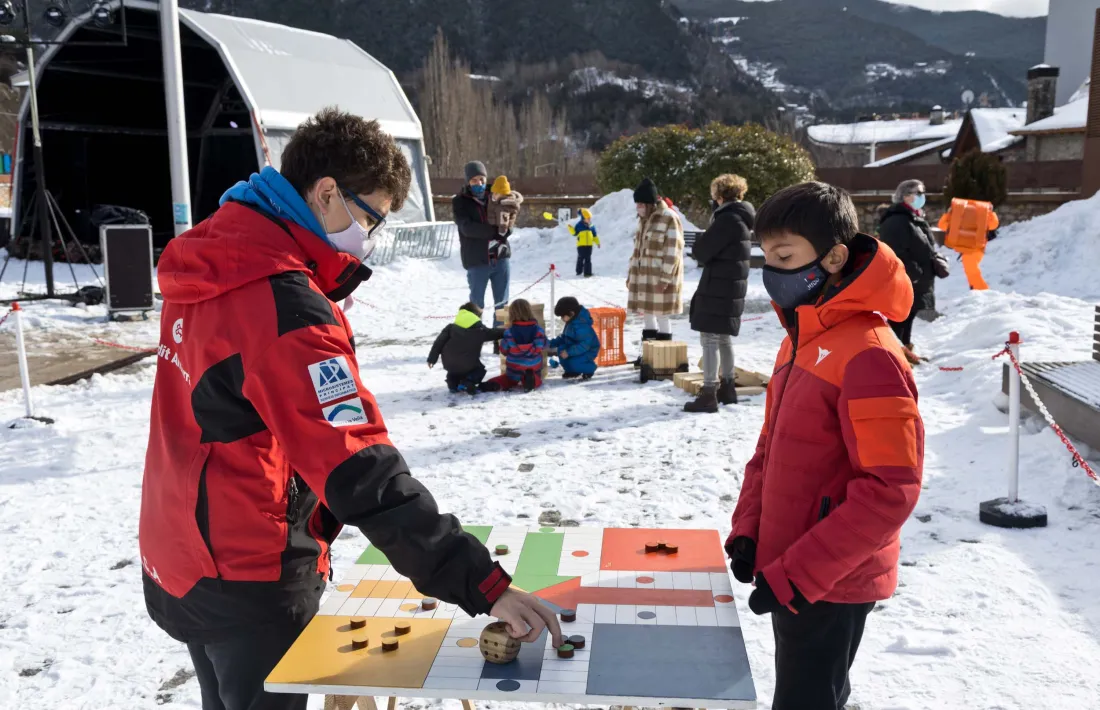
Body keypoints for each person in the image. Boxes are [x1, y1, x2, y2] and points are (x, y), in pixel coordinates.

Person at [140, 109, 561, 710]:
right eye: (371, 218)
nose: (370, 237)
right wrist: (480, 582)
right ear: (327, 192)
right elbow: (359, 468)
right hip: (248, 571)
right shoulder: (283, 304)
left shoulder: (212, 266)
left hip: (180, 552)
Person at [726, 182, 923, 710]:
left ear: (834, 256)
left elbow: (890, 490)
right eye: (766, 257)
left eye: (785, 256)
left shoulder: (870, 355)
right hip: (790, 566)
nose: (773, 270)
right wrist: (749, 529)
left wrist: (800, 574)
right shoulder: (801, 338)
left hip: (832, 579)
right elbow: (772, 446)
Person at [685, 174, 754, 413]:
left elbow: (702, 251)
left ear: (721, 196)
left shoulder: (727, 220)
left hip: (718, 288)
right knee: (723, 338)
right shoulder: (741, 219)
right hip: (730, 288)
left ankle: (709, 393)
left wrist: (704, 236)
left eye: (714, 196)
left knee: (710, 339)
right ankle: (727, 387)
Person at [878, 180, 949, 365]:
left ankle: (906, 350)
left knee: (909, 316)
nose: (922, 196)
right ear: (906, 195)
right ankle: (895, 354)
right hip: (908, 279)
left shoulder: (914, 217)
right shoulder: (896, 220)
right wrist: (914, 273)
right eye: (918, 193)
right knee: (899, 319)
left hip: (918, 280)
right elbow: (896, 252)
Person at [626, 177, 684, 362]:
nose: (638, 208)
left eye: (641, 204)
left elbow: (673, 251)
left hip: (660, 279)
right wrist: (630, 276)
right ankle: (649, 357)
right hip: (643, 278)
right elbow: (637, 251)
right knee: (647, 315)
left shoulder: (669, 218)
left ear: (650, 203)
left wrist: (665, 279)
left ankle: (663, 359)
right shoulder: (643, 220)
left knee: (662, 317)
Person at [453, 160, 511, 321]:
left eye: (481, 179)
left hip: (500, 258)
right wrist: (494, 232)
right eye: (474, 180)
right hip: (477, 260)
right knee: (476, 305)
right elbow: (467, 228)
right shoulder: (460, 201)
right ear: (468, 181)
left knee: (503, 305)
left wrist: (507, 228)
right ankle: (472, 340)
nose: (479, 183)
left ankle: (499, 344)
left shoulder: (498, 195)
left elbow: (510, 218)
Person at [428, 302, 504, 394]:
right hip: (468, 364)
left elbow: (438, 343)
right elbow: (494, 333)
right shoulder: (479, 330)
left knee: (454, 371)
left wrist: (432, 359)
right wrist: (508, 331)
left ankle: (452, 384)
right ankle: (468, 382)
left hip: (449, 364)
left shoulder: (450, 328)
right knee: (480, 370)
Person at [481, 299, 547, 393]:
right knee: (537, 378)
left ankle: (495, 384)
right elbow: (544, 345)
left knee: (508, 379)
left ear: (512, 314)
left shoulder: (509, 332)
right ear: (529, 312)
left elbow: (503, 350)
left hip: (514, 367)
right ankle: (532, 380)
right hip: (533, 367)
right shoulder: (538, 330)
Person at [938, 196, 999, 291]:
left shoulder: (955, 216)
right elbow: (993, 225)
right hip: (977, 247)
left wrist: (947, 213)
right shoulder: (983, 214)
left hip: (966, 248)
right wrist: (991, 213)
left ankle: (982, 291)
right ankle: (978, 290)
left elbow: (942, 225)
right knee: (972, 272)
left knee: (972, 272)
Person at [548, 296, 600, 380]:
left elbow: (584, 344)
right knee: (561, 351)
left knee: (575, 362)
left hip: (588, 350)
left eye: (562, 316)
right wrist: (552, 343)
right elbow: (565, 337)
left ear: (571, 313)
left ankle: (590, 369)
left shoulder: (582, 325)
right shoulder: (571, 321)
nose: (561, 319)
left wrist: (569, 352)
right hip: (574, 347)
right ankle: (572, 371)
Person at [487, 175, 523, 265]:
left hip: (501, 228)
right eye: (493, 193)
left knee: (499, 240)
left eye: (496, 194)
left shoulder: (503, 206)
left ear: (502, 194)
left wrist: (501, 234)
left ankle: (501, 247)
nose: (494, 196)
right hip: (496, 225)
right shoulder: (497, 202)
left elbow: (504, 221)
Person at [568, 207, 600, 277]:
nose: (589, 220)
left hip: (589, 245)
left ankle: (587, 273)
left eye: (589, 218)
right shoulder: (579, 225)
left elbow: (594, 235)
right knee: (581, 258)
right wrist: (570, 228)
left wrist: (597, 242)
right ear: (583, 218)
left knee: (588, 258)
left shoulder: (591, 226)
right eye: (587, 218)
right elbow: (574, 233)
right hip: (581, 245)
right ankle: (579, 272)